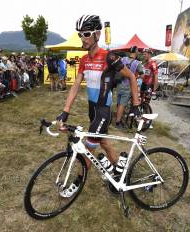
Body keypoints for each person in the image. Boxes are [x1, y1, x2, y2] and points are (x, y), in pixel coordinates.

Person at [56, 15, 140, 197]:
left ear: (97, 34)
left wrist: (135, 104)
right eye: (80, 35)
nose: (83, 38)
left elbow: (132, 77)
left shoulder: (109, 58)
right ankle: (119, 172)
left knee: (88, 148)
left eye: (86, 34)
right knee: (104, 142)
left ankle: (77, 183)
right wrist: (65, 111)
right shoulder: (84, 60)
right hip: (91, 109)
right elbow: (75, 87)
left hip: (103, 111)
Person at [115, 46, 144, 129]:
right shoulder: (137, 63)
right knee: (122, 104)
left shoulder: (123, 59)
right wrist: (136, 77)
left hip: (119, 83)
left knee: (119, 102)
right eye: (138, 51)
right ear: (135, 52)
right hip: (128, 85)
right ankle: (118, 122)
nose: (138, 52)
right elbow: (142, 75)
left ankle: (119, 117)